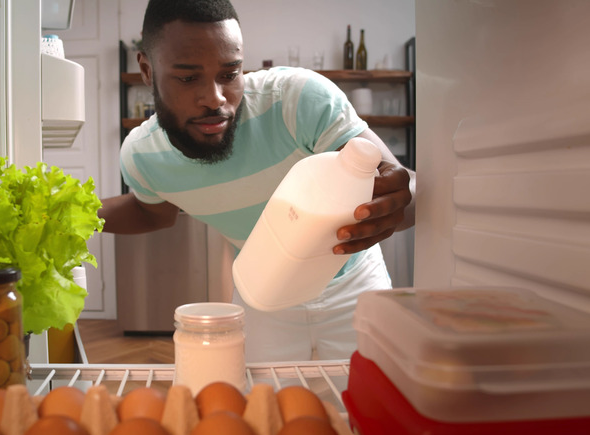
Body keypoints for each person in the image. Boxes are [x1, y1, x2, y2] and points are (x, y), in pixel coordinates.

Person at [99, 0, 415, 362]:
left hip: (355, 284)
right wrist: (70, 215)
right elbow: (152, 213)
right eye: (188, 78)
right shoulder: (142, 156)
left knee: (368, 402)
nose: (215, 99)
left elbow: (402, 184)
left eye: (230, 73)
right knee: (268, 408)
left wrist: (398, 199)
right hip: (262, 291)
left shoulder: (297, 101)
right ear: (147, 69)